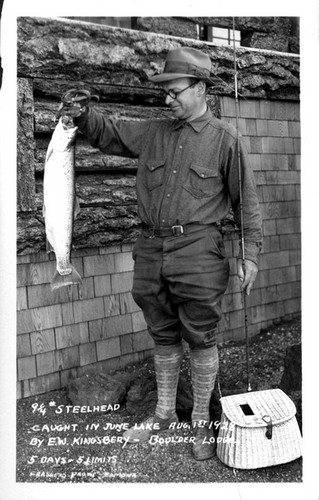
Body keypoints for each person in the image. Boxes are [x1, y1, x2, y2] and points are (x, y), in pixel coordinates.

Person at [63, 47, 262, 461]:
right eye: (165, 93)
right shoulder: (153, 132)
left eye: (174, 91)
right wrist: (82, 114)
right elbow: (109, 132)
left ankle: (203, 418)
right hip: (151, 248)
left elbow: (248, 205)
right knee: (163, 332)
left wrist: (250, 254)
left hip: (199, 251)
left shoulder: (226, 139)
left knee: (201, 335)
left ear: (201, 89)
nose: (166, 99)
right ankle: (165, 412)